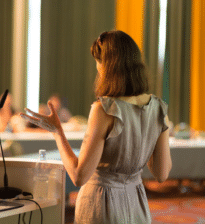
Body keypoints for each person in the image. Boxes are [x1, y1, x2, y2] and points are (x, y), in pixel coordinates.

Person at [20, 30, 172, 223]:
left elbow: (78, 175)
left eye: (99, 62)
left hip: (101, 203)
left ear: (109, 66)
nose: (98, 69)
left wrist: (58, 132)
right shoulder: (158, 108)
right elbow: (161, 173)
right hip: (137, 204)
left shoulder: (104, 110)